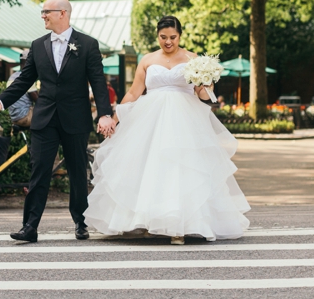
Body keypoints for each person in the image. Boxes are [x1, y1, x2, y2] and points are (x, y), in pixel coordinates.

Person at [84, 15, 250, 245]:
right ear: (157, 36)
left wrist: (205, 85)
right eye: (163, 37)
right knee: (150, 168)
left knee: (179, 169)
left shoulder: (194, 59)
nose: (168, 41)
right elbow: (134, 92)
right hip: (149, 118)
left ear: (180, 36)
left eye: (172, 37)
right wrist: (115, 117)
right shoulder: (147, 60)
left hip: (184, 120)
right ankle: (145, 221)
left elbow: (202, 96)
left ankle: (179, 226)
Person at [0, 0, 114, 243]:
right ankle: (30, 226)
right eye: (42, 12)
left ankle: (80, 222)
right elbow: (23, 80)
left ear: (62, 13)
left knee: (77, 172)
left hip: (75, 118)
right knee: (39, 171)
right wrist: (0, 101)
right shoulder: (38, 45)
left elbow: (98, 81)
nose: (43, 16)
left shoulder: (87, 44)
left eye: (46, 12)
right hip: (44, 119)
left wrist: (105, 114)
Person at [6, 50, 37, 128]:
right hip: (25, 116)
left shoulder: (12, 77)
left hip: (14, 118)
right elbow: (37, 99)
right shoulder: (27, 77)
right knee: (50, 117)